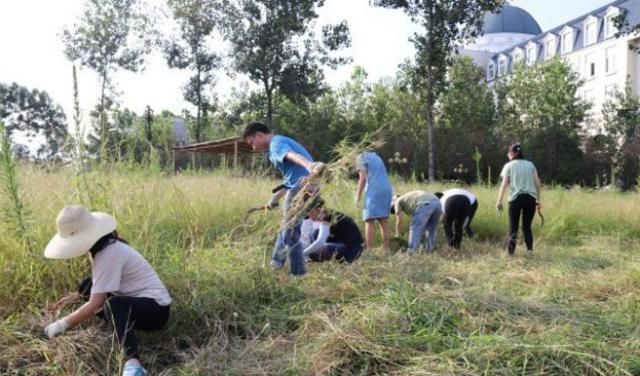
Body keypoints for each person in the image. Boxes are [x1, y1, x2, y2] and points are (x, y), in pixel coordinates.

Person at [42, 205, 171, 376]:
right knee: (87, 286)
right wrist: (63, 303)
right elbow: (96, 287)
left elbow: (97, 303)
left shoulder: (108, 254)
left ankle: (133, 364)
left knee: (113, 305)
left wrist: (59, 326)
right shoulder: (106, 247)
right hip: (141, 303)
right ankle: (120, 327)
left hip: (156, 310)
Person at [243, 122, 324, 276]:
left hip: (302, 187)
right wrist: (273, 200)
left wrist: (310, 165)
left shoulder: (275, 144)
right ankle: (276, 263)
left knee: (290, 232)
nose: (253, 147)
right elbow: (290, 181)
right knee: (287, 227)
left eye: (252, 143)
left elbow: (292, 156)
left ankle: (299, 274)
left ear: (259, 135)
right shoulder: (281, 140)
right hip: (308, 187)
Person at [496, 144, 542, 255]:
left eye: (509, 152)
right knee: (526, 226)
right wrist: (538, 199)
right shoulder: (531, 165)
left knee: (513, 226)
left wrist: (499, 201)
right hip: (530, 198)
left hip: (515, 199)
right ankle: (530, 250)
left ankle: (511, 253)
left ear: (514, 153)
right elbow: (537, 183)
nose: (508, 154)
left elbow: (504, 184)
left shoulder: (509, 166)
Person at [303, 197, 364, 263]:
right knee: (315, 234)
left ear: (318, 209)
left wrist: (303, 253)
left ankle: (341, 260)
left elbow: (320, 242)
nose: (309, 216)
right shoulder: (327, 214)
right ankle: (317, 257)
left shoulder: (327, 217)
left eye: (309, 212)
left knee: (315, 251)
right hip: (342, 243)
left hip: (352, 250)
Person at [355, 151, 393, 251]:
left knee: (369, 220)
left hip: (375, 189)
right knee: (383, 220)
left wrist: (357, 196)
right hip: (387, 188)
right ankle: (386, 249)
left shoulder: (360, 157)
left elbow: (362, 179)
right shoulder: (376, 156)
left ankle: (370, 250)